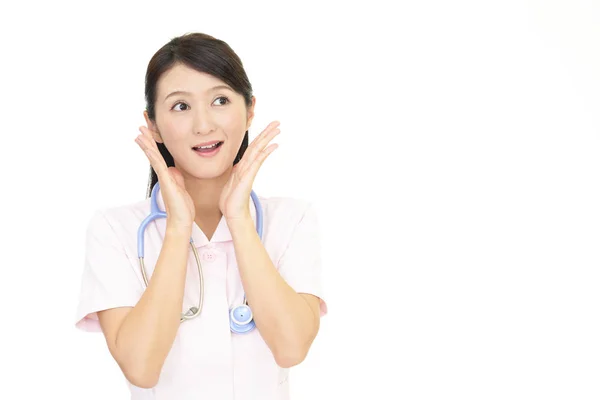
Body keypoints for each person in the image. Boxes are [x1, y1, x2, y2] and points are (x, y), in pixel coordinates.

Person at [74, 32, 327, 399]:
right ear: (154, 125)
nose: (203, 125)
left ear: (250, 109)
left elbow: (291, 348)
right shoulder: (115, 230)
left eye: (220, 100)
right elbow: (141, 368)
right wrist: (178, 227)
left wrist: (238, 219)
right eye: (181, 106)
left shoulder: (292, 220)